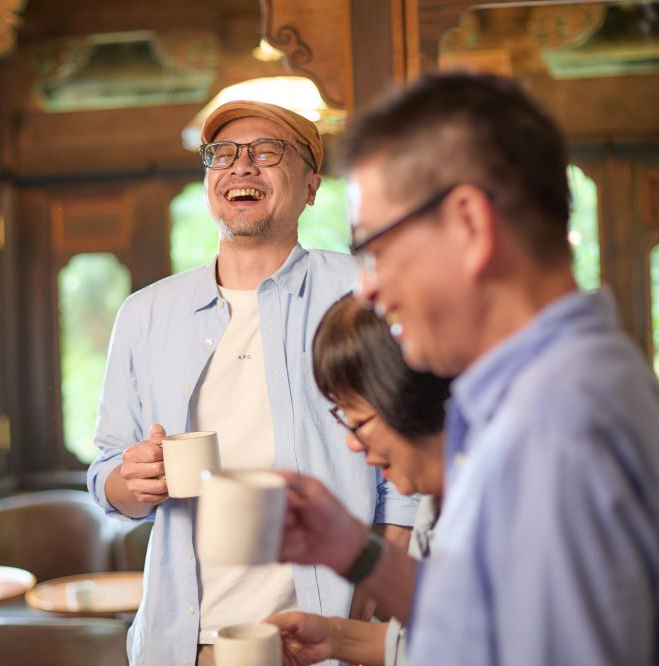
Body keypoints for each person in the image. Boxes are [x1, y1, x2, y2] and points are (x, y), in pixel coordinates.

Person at [283, 72, 659, 664]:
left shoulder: (555, 421)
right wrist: (354, 550)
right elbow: (493, 619)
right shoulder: (555, 387)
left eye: (377, 249)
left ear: (469, 223)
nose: (370, 288)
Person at [86, 101, 418, 666]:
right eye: (223, 154)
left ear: (311, 186)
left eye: (267, 153)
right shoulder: (146, 313)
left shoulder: (365, 295)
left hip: (324, 638)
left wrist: (367, 607)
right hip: (186, 643)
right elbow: (106, 481)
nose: (241, 167)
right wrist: (132, 480)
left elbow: (408, 477)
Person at [265, 294, 449, 666]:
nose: (352, 442)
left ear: (409, 399)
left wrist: (353, 547)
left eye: (359, 421)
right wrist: (333, 637)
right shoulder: (435, 499)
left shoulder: (511, 495)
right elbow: (441, 631)